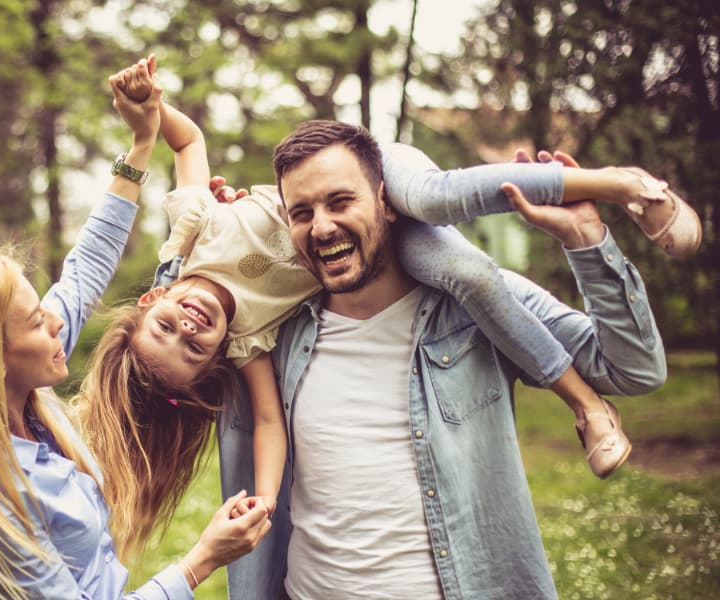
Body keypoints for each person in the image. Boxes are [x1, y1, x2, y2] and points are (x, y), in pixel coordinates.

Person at [82, 55, 696, 538]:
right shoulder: (254, 340)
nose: (189, 328)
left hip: (364, 163)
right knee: (468, 273)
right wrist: (265, 500)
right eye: (193, 349)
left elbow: (188, 145)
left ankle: (623, 184)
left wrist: (150, 114)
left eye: (167, 329)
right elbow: (268, 421)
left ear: (151, 301)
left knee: (431, 197)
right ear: (216, 357)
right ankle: (586, 403)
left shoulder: (193, 230)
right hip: (378, 232)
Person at [213, 121, 674, 599]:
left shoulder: (482, 307)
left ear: (386, 201)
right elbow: (176, 354)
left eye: (341, 202)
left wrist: (586, 239)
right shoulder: (277, 333)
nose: (322, 226)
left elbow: (634, 370)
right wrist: (204, 245)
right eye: (302, 212)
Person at [0, 71, 270, 600]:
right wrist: (201, 560)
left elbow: (86, 266)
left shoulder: (24, 392)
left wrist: (141, 143)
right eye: (35, 321)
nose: (57, 322)